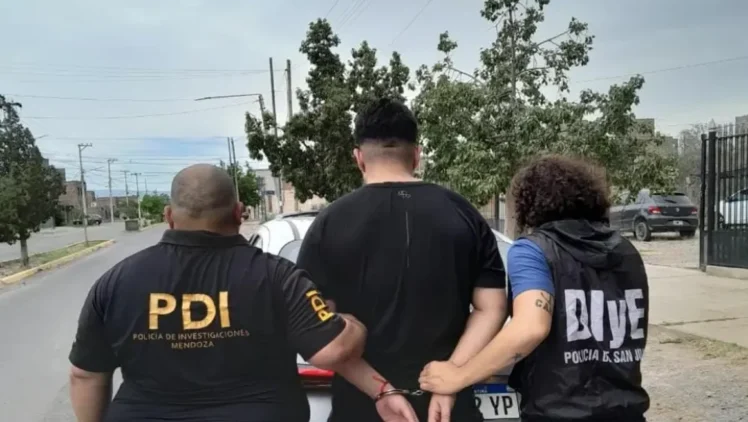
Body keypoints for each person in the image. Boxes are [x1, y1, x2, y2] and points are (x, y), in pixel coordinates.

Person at [67, 164, 367, 422]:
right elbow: (333, 350)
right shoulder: (278, 277)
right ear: (238, 213)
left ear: (169, 216)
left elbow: (85, 375)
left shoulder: (116, 282)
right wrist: (354, 325)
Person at [296, 97, 508, 422]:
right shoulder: (464, 214)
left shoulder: (328, 223)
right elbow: (491, 308)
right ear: (417, 155)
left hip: (360, 409)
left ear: (358, 158)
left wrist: (380, 390)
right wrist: (451, 377)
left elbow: (317, 330)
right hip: (449, 410)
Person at [419, 155, 650, 421]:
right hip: (627, 411)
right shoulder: (626, 250)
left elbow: (530, 327)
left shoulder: (533, 250)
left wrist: (458, 376)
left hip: (558, 413)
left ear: (528, 203)